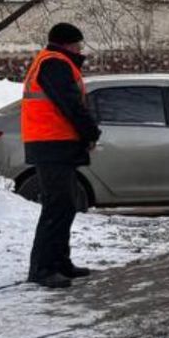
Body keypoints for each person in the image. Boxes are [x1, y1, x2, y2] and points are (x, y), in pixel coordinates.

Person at [22, 22, 103, 289]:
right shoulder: (55, 64)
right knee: (57, 207)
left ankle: (59, 262)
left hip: (53, 143)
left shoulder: (50, 62)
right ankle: (43, 269)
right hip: (52, 144)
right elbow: (70, 104)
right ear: (68, 44)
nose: (81, 50)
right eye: (78, 45)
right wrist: (90, 132)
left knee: (65, 205)